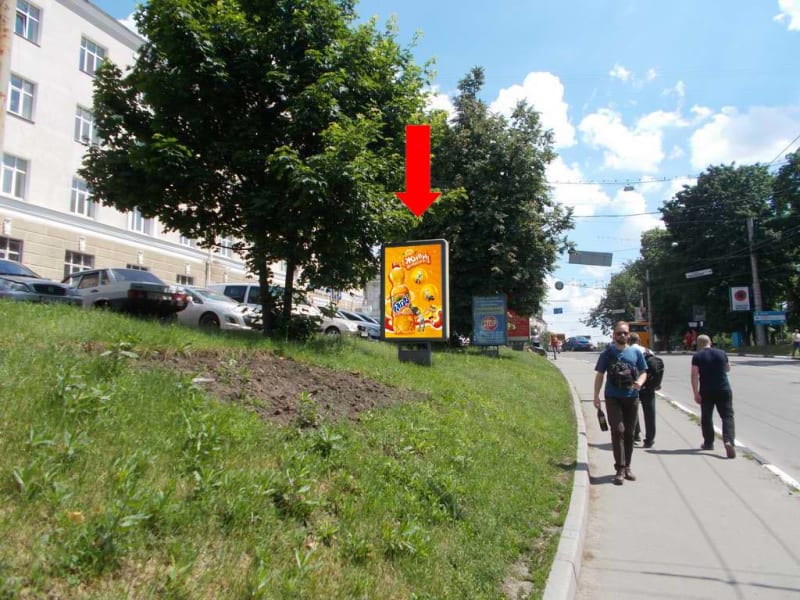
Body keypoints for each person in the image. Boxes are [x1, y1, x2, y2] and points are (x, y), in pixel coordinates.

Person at [593, 321, 648, 485]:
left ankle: (627, 467)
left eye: (625, 333)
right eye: (619, 333)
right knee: (618, 430)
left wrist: (640, 382)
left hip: (632, 397)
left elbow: (644, 372)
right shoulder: (607, 354)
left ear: (629, 334)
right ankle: (620, 469)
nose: (622, 335)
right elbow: (600, 375)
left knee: (629, 433)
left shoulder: (635, 352)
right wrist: (596, 396)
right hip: (613, 397)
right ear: (614, 335)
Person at [691, 334, 736, 458]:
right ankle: (728, 441)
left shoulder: (697, 356)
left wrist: (695, 393)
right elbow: (728, 368)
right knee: (727, 416)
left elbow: (694, 375)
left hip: (706, 390)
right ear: (710, 342)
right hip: (723, 389)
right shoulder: (721, 353)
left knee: (706, 416)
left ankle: (708, 443)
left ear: (698, 344)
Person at [630, 332, 662, 448]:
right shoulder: (649, 351)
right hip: (649, 386)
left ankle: (636, 434)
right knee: (650, 413)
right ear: (639, 341)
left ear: (628, 341)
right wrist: (657, 383)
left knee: (633, 410)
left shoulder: (628, 351)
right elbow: (656, 369)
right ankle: (649, 440)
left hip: (634, 385)